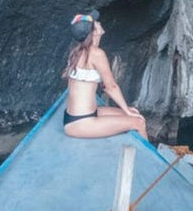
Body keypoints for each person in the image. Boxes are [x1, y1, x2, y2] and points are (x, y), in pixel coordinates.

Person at [61, 10, 148, 140]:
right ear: (93, 32)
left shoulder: (76, 51)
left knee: (134, 113)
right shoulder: (97, 54)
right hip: (81, 122)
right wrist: (126, 110)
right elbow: (111, 87)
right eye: (95, 23)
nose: (98, 23)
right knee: (138, 122)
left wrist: (128, 111)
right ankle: (146, 160)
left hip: (77, 115)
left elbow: (90, 59)